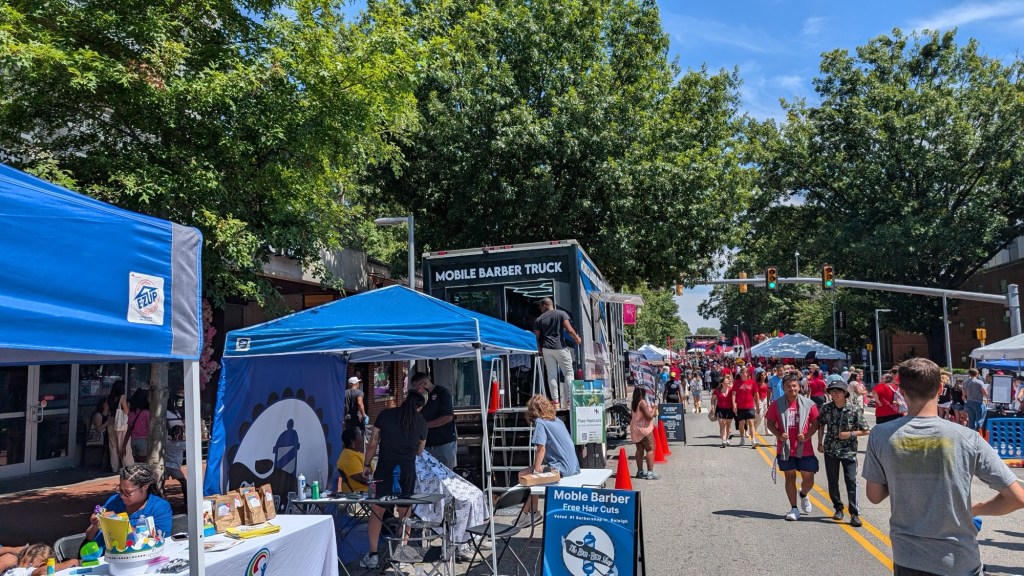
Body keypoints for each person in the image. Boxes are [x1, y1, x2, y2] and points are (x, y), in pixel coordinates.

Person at [863, 358, 1024, 576]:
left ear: (901, 391)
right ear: (940, 388)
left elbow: (874, 496)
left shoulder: (881, 435)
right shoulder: (967, 437)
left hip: (908, 558)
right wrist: (974, 509)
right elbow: (1017, 498)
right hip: (958, 560)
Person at [359, 392, 428, 570]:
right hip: (407, 469)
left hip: (385, 468)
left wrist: (366, 464)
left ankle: (373, 555)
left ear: (404, 401)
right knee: (405, 512)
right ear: (419, 407)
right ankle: (401, 554)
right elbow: (419, 451)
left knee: (377, 510)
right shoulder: (421, 422)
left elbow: (373, 443)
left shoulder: (385, 415)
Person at [518, 395, 581, 526]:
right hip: (573, 466)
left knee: (525, 475)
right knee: (532, 474)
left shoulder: (540, 422)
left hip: (561, 467)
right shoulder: (557, 420)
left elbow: (541, 448)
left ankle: (529, 513)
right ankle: (530, 512)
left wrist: (536, 470)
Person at [765, 373, 820, 521]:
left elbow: (816, 423)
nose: (792, 389)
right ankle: (794, 508)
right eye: (788, 386)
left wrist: (807, 435)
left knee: (809, 477)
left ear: (799, 387)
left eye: (794, 386)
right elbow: (769, 423)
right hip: (786, 448)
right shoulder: (776, 404)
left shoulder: (809, 404)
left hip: (804, 448)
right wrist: (779, 434)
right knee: (790, 477)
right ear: (783, 388)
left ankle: (803, 493)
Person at [816, 376, 870, 527]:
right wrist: (820, 442)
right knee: (832, 480)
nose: (834, 394)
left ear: (845, 393)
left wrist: (850, 434)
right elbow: (820, 424)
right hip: (831, 449)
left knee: (851, 480)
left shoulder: (854, 409)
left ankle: (854, 513)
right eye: (832, 391)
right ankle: (838, 508)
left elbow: (865, 430)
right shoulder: (827, 408)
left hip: (848, 450)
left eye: (838, 391)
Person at [86, 464, 173, 552]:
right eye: (120, 490)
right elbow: (89, 537)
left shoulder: (159, 507)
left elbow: (159, 541)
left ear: (145, 487)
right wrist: (95, 525)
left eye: (128, 492)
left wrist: (119, 522)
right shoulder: (114, 501)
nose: (123, 496)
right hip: (98, 553)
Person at [533, 297, 582, 407]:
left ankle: (555, 402)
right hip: (561, 348)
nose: (540, 309)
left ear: (545, 305)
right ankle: (570, 400)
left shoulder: (539, 319)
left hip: (546, 349)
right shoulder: (561, 314)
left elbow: (535, 337)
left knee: (552, 375)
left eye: (541, 307)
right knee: (568, 373)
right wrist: (577, 338)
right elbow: (569, 330)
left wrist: (539, 350)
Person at [411, 372, 458, 469]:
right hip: (426, 443)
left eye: (418, 387)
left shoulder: (442, 392)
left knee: (446, 472)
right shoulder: (420, 397)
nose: (417, 390)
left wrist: (426, 425)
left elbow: (448, 417)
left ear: (425, 383)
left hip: (444, 442)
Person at [629, 386, 659, 480]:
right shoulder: (642, 403)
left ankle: (640, 472)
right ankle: (650, 473)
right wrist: (654, 408)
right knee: (650, 449)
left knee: (639, 450)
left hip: (635, 428)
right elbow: (649, 417)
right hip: (644, 429)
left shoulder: (633, 403)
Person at [0, 544, 79, 576]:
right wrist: (71, 562)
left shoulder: (7, 571)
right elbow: (43, 571)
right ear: (42, 565)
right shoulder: (26, 572)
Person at [106, 382, 132, 473]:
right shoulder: (122, 397)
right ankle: (127, 467)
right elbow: (126, 411)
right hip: (121, 423)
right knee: (123, 445)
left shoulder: (110, 398)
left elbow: (107, 411)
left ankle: (115, 467)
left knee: (113, 446)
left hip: (111, 421)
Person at [336, 427, 370, 493]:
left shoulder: (355, 453)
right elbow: (363, 479)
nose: (361, 438)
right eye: (359, 435)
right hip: (361, 493)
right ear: (352, 441)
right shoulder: (349, 457)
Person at [731, 367, 758, 447]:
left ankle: (753, 440)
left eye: (744, 373)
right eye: (741, 373)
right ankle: (742, 438)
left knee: (751, 422)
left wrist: (757, 405)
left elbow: (756, 394)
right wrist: (734, 404)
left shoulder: (752, 382)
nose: (742, 374)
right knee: (741, 423)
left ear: (747, 373)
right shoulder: (737, 382)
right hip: (740, 407)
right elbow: (733, 394)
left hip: (750, 406)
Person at [163, 423, 187, 504]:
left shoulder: (166, 442)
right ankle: (186, 500)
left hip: (165, 465)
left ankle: (161, 499)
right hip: (175, 467)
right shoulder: (182, 444)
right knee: (183, 482)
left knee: (161, 483)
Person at [124, 388, 150, 462]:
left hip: (133, 441)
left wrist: (124, 446)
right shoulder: (147, 413)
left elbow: (129, 430)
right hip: (143, 441)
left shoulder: (131, 413)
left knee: (137, 464)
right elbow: (150, 429)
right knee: (144, 464)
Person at [711, 375, 735, 448]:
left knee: (728, 425)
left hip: (729, 409)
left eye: (728, 381)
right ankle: (723, 440)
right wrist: (712, 407)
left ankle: (727, 439)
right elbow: (713, 399)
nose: (728, 382)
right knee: (722, 424)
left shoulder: (731, 390)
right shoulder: (717, 390)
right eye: (726, 381)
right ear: (722, 383)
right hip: (720, 409)